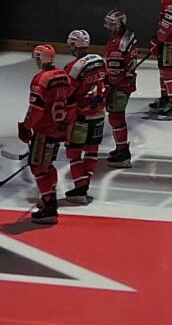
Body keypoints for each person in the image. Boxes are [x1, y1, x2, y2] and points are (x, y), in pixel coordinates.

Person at [19, 44, 75, 225]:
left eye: (37, 57)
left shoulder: (40, 80)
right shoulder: (64, 76)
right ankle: (49, 197)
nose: (35, 60)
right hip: (58, 128)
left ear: (41, 59)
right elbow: (71, 104)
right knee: (48, 165)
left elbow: (36, 109)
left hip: (44, 131)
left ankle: (49, 205)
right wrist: (67, 124)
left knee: (38, 167)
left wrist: (26, 126)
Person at [62, 29, 108, 205]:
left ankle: (80, 188)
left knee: (74, 153)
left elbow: (67, 93)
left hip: (81, 116)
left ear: (74, 44)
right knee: (92, 150)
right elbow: (107, 82)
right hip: (99, 113)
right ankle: (85, 183)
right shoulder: (99, 60)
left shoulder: (73, 67)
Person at [103, 9, 141, 168]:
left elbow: (115, 72)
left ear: (121, 24)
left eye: (113, 24)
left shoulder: (116, 44)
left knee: (116, 118)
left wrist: (107, 85)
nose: (109, 27)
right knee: (117, 117)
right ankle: (120, 148)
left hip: (120, 85)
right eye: (109, 24)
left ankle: (123, 153)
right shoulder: (128, 37)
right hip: (126, 82)